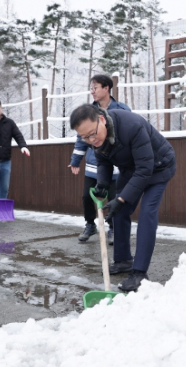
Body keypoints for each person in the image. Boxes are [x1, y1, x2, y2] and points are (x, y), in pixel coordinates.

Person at [70, 104, 176, 292]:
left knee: (146, 214)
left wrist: (121, 199)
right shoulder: (95, 137)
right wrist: (102, 184)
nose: (91, 140)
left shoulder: (131, 125)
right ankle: (123, 260)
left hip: (158, 167)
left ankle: (140, 273)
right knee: (118, 213)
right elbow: (103, 160)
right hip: (132, 169)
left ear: (101, 120)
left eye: (92, 134)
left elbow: (145, 169)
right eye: (84, 137)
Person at [68, 74, 130, 244]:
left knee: (113, 198)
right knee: (87, 197)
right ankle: (90, 224)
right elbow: (81, 138)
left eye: (95, 87)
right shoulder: (88, 112)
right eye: (91, 88)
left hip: (116, 167)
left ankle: (113, 228)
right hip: (94, 165)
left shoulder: (122, 109)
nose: (92, 91)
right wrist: (75, 160)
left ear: (106, 88)